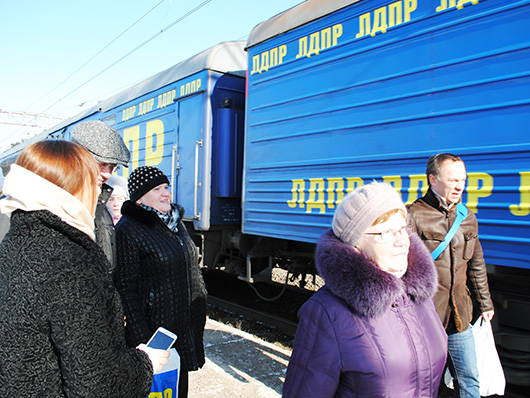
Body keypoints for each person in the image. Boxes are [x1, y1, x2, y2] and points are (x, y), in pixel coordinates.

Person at [0, 140, 168, 396]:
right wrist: (145, 363)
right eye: (96, 186)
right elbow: (95, 384)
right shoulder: (70, 261)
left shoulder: (13, 241)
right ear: (76, 189)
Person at [283, 182, 448, 397]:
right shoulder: (327, 313)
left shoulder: (420, 296)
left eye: (402, 229)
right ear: (355, 245)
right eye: (386, 232)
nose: (401, 241)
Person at [114, 165, 207, 398]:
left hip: (183, 329)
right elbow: (126, 288)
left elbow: (190, 267)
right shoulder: (129, 228)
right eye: (157, 189)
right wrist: (144, 343)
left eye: (166, 187)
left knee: (178, 389)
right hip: (156, 336)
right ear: (139, 198)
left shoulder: (176, 223)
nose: (166, 193)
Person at [408, 153, 495, 397]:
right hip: (425, 316)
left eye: (463, 180)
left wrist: (485, 304)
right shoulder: (412, 215)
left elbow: (476, 264)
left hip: (459, 315)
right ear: (433, 180)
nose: (460, 186)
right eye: (453, 180)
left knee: (469, 379)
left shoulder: (467, 217)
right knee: (424, 382)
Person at [71, 120, 130, 271]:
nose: (107, 174)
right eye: (102, 164)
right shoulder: (54, 206)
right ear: (78, 158)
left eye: (112, 167)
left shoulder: (101, 205)